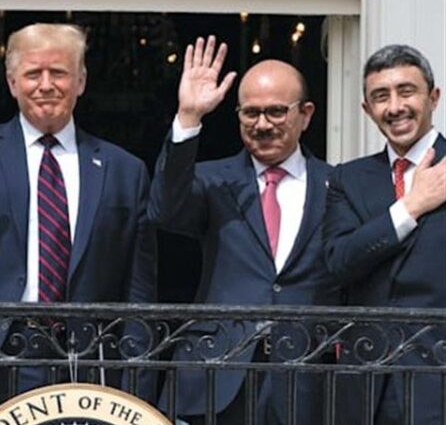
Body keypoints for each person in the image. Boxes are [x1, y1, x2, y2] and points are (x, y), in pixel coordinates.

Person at [0, 23, 156, 424]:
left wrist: (136, 383)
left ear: (81, 81)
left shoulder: (124, 170)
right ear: (12, 82)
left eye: (59, 73)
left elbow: (137, 289)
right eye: (33, 73)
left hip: (79, 366)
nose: (46, 85)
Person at [149, 36, 340, 424]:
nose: (262, 124)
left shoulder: (337, 185)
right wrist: (189, 117)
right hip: (218, 375)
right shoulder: (214, 180)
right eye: (250, 113)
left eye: (276, 111)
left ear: (306, 114)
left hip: (305, 379)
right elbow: (165, 210)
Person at [324, 44, 445, 424]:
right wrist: (410, 207)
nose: (394, 107)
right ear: (367, 109)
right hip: (366, 385)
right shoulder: (347, 178)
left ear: (433, 97)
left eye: (406, 91)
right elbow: (339, 261)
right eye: (380, 96)